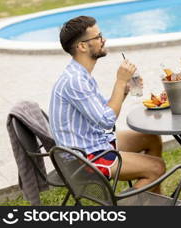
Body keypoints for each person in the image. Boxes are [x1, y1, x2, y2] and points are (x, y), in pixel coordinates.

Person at [49, 16, 165, 192]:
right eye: (98, 37)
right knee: (157, 168)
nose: (104, 40)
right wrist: (119, 81)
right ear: (82, 46)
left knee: (151, 139)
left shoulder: (80, 74)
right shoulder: (75, 81)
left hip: (93, 144)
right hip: (83, 159)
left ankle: (155, 203)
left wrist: (124, 90)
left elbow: (101, 110)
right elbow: (106, 120)